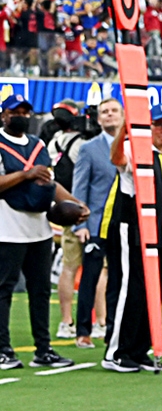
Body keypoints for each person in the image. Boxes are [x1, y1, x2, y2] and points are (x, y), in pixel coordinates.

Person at [0, 94, 84, 370]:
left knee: (40, 292)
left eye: (25, 111)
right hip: (7, 226)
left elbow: (50, 181)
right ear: (3, 115)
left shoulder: (38, 145)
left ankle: (44, 349)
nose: (21, 115)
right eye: (16, 111)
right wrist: (26, 175)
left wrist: (73, 203)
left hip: (39, 226)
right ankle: (3, 349)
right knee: (4, 290)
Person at [101, 105, 162, 373]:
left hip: (159, 234)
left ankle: (139, 349)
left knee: (150, 293)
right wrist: (127, 127)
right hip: (131, 230)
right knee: (128, 290)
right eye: (159, 124)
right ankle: (116, 351)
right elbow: (117, 159)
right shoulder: (134, 148)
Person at [70, 98, 122, 349]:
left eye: (114, 111)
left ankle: (114, 329)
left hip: (124, 224)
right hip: (96, 224)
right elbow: (80, 187)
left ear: (123, 115)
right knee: (89, 278)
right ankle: (83, 330)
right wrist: (80, 224)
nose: (110, 115)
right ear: (99, 119)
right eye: (105, 112)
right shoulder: (89, 149)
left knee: (119, 279)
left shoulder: (134, 145)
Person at [46, 101, 87, 340]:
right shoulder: (81, 144)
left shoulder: (53, 142)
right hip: (78, 206)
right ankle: (98, 320)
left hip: (62, 207)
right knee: (97, 269)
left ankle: (65, 320)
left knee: (68, 268)